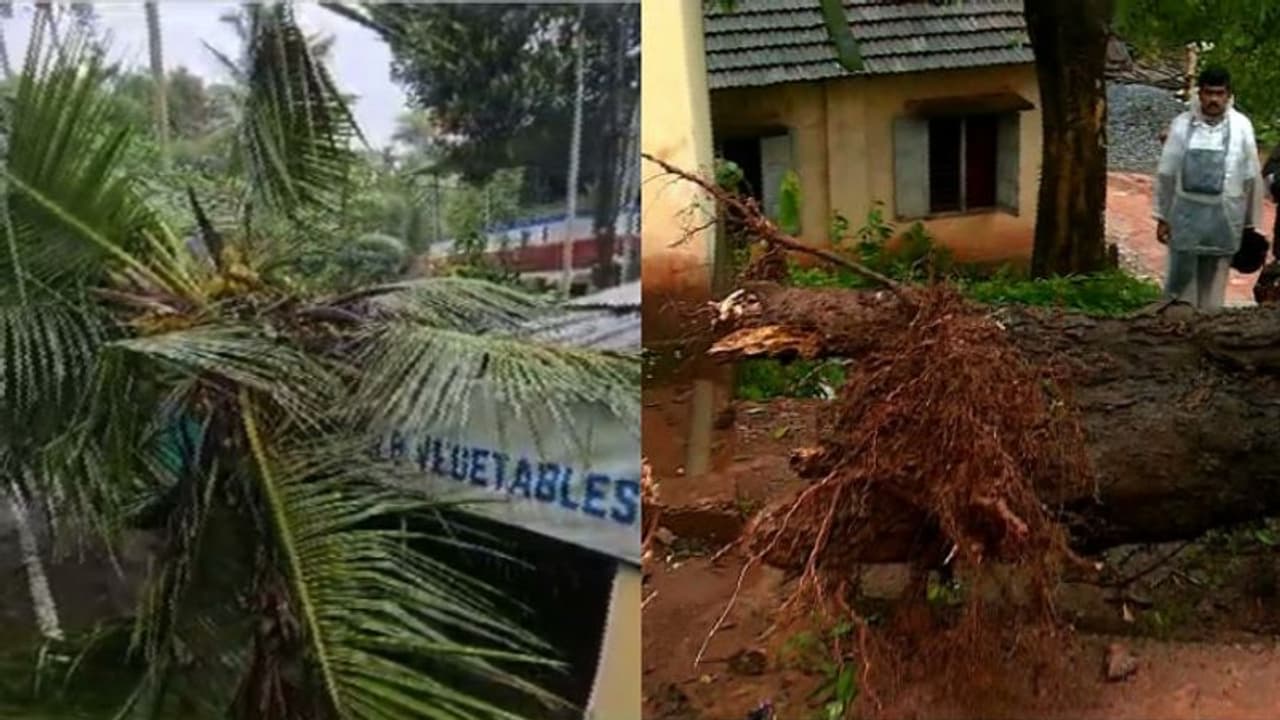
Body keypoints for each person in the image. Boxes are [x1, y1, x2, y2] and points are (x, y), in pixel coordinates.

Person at [1154, 66, 1265, 309]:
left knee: (1214, 286)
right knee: (1180, 285)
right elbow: (1166, 173)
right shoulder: (1181, 126)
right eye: (1208, 93)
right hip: (1186, 218)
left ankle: (1210, 323)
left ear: (1228, 95)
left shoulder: (1241, 126)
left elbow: (1251, 177)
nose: (1214, 99)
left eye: (1219, 93)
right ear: (1199, 94)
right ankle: (1178, 324)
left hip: (1225, 218)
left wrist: (1250, 224)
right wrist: (1162, 217)